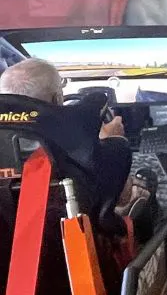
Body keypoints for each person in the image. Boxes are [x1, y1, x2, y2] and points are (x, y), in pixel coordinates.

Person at [0, 58, 155, 219]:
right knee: (142, 193)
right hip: (74, 226)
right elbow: (122, 197)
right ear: (57, 98)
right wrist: (113, 139)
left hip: (8, 227)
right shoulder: (78, 142)